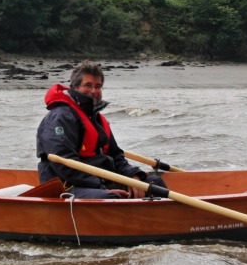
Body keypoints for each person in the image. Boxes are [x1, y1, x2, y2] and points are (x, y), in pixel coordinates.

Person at [36, 60, 166, 199]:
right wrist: (101, 186)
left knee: (154, 184)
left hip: (98, 181)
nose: (94, 91)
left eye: (98, 86)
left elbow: (116, 156)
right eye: (88, 85)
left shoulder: (97, 119)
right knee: (112, 197)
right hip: (68, 185)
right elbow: (63, 165)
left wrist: (132, 176)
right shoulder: (60, 117)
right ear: (74, 88)